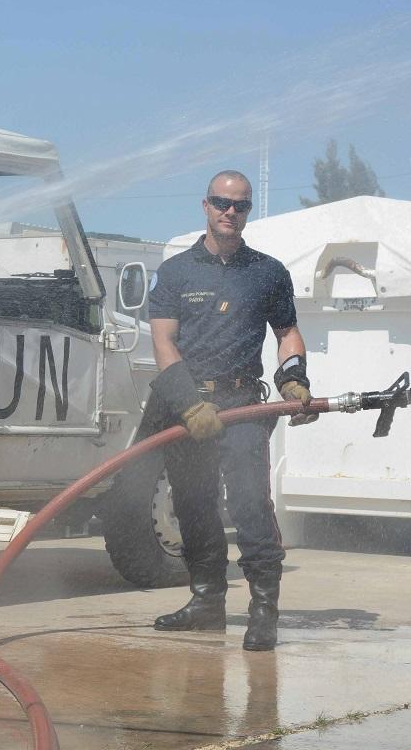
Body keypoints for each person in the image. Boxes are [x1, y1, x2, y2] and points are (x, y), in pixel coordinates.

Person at [143, 170, 315, 652]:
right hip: (187, 407)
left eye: (240, 205)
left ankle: (263, 611)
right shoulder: (176, 272)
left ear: (248, 211)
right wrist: (189, 403)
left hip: (242, 404)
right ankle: (207, 602)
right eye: (222, 203)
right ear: (206, 205)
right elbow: (163, 342)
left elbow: (287, 333)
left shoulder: (268, 272)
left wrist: (294, 378)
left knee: (249, 503)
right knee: (193, 504)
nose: (230, 212)